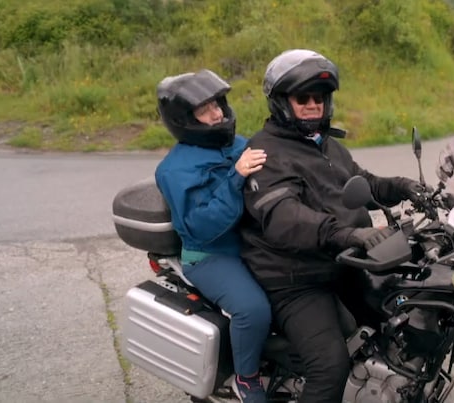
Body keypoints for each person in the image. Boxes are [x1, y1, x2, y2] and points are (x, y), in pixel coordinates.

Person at [238, 49, 427, 402]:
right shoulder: (266, 153)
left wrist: (404, 187)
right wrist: (351, 234)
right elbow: (285, 218)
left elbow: (360, 183)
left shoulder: (325, 145)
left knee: (399, 315)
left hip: (340, 262)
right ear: (282, 102)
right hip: (294, 279)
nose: (313, 105)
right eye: (303, 98)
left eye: (320, 98)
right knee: (329, 366)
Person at [154, 69, 273, 403]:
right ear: (183, 118)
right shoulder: (174, 170)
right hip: (211, 255)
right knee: (252, 309)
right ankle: (246, 379)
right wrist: (235, 178)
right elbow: (201, 226)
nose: (217, 113)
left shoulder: (239, 144)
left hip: (253, 242)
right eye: (204, 109)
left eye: (218, 104)